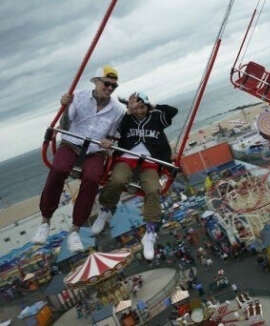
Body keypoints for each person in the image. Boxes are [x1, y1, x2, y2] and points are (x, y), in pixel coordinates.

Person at [33, 65, 125, 252]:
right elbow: (65, 125)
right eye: (106, 84)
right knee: (58, 170)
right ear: (96, 82)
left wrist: (108, 141)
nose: (109, 88)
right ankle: (45, 221)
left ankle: (75, 229)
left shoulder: (118, 110)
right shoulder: (79, 96)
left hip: (95, 150)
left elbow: (112, 135)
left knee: (92, 180)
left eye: (113, 86)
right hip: (71, 144)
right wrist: (65, 107)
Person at [93, 92, 178, 260]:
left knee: (153, 190)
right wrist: (127, 111)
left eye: (142, 107)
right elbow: (110, 127)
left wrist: (152, 106)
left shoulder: (155, 119)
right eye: (136, 108)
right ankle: (107, 208)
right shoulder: (126, 120)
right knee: (117, 179)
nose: (139, 111)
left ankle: (150, 232)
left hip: (150, 162)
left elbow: (172, 111)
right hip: (127, 158)